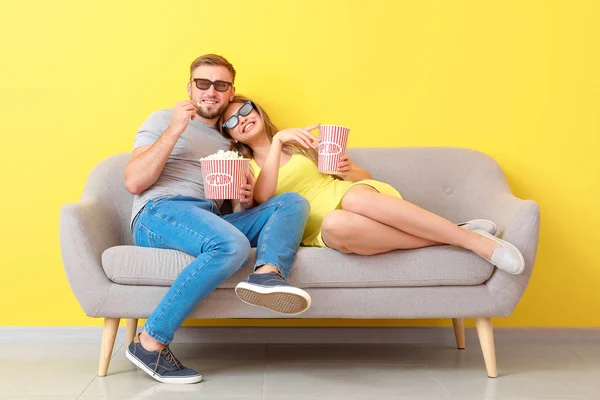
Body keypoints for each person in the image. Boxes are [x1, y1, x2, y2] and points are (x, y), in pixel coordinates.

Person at [123, 55, 311, 384]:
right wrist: (176, 128)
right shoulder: (162, 119)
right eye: (203, 83)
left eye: (221, 85)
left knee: (291, 203)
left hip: (203, 219)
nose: (211, 91)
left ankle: (266, 275)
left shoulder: (231, 143)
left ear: (230, 91)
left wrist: (243, 202)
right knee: (229, 244)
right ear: (190, 87)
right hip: (159, 212)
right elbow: (135, 182)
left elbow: (223, 216)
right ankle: (150, 343)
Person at [220, 95, 525, 275]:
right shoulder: (240, 165)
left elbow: (363, 179)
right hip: (316, 225)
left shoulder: (303, 146)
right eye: (232, 121)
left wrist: (349, 170)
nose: (242, 119)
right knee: (336, 223)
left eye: (245, 110)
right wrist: (279, 141)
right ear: (232, 137)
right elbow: (263, 196)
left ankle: (479, 244)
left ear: (258, 111)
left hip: (351, 196)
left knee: (353, 201)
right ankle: (457, 233)